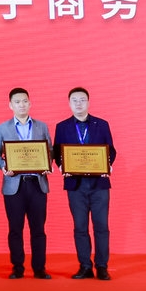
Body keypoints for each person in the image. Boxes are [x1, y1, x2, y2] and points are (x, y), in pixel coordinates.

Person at [54, 86, 117, 280]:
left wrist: (107, 164)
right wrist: (62, 166)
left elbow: (111, 150)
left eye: (82, 100)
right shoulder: (62, 126)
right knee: (80, 227)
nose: (79, 103)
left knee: (101, 226)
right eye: (75, 100)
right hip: (75, 185)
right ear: (69, 103)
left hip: (99, 184)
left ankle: (102, 266)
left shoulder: (102, 124)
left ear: (88, 102)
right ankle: (85, 266)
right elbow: (57, 152)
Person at [0, 87, 51, 279]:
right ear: (10, 105)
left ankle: (39, 268)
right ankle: (17, 267)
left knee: (38, 229)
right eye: (17, 102)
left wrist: (47, 165)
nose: (22, 105)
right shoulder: (2, 128)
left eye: (25, 101)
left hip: (37, 183)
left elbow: (49, 150)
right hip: (13, 185)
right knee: (15, 229)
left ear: (30, 103)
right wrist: (3, 166)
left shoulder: (42, 127)